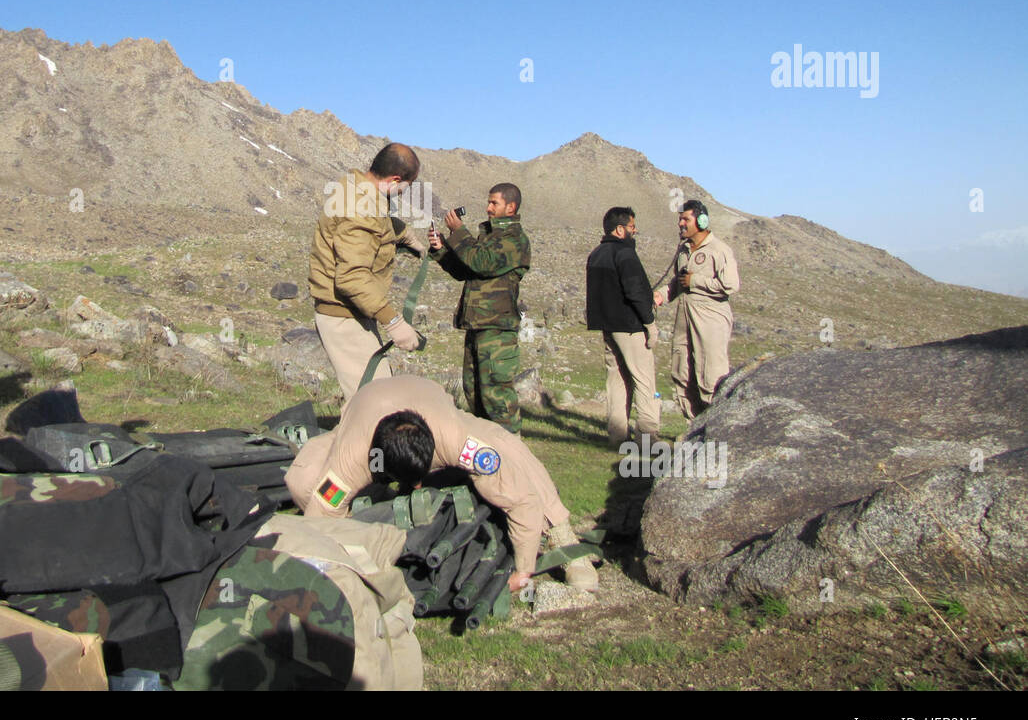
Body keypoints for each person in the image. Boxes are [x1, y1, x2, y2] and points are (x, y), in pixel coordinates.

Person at [285, 374, 598, 591]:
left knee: (509, 449)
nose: (418, 487)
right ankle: (369, 518)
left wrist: (524, 570)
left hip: (428, 399)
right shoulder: (352, 458)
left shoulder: (455, 438)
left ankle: (563, 534)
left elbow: (521, 497)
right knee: (303, 480)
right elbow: (322, 512)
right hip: (364, 409)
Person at [309, 143, 425, 402]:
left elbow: (376, 221)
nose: (403, 192)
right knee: (376, 403)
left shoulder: (357, 187)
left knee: (370, 398)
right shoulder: (363, 206)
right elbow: (352, 277)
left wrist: (406, 235)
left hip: (353, 312)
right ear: (396, 180)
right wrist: (394, 322)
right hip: (344, 317)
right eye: (406, 186)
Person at [428, 183, 530, 432]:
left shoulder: (514, 239)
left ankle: (511, 454)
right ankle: (487, 454)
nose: (488, 208)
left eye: (494, 203)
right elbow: (467, 270)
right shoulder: (490, 237)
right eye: (489, 202)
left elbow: (482, 262)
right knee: (474, 391)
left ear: (511, 207)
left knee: (496, 396)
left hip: (497, 329)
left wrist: (458, 232)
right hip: (478, 324)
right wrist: (442, 250)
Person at [652, 200, 739, 421]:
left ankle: (717, 429)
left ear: (701, 221)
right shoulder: (683, 250)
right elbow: (679, 282)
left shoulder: (719, 250)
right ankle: (694, 428)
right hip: (684, 318)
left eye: (685, 219)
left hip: (710, 320)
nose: (680, 223)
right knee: (682, 374)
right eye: (680, 219)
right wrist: (662, 295)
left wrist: (697, 281)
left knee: (711, 375)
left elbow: (730, 285)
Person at [585, 206, 659, 447]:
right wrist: (649, 321)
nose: (634, 231)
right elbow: (634, 290)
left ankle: (617, 437)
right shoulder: (625, 255)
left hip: (608, 328)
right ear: (620, 229)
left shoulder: (596, 254)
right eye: (631, 227)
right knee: (644, 382)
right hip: (630, 327)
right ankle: (647, 439)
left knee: (616, 381)